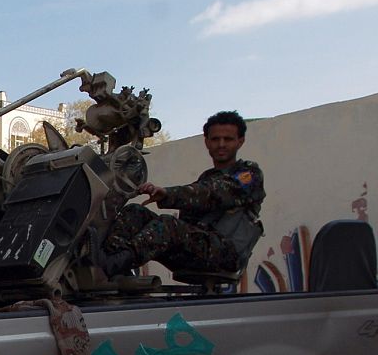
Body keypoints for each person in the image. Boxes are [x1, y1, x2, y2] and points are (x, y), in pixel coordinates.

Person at [97, 109, 265, 279]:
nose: (221, 144)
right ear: (206, 142)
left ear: (240, 141)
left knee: (168, 225)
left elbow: (212, 193)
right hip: (195, 250)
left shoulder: (249, 174)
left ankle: (109, 268)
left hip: (225, 254)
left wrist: (167, 194)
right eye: (215, 139)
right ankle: (111, 266)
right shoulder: (207, 178)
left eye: (228, 139)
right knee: (134, 212)